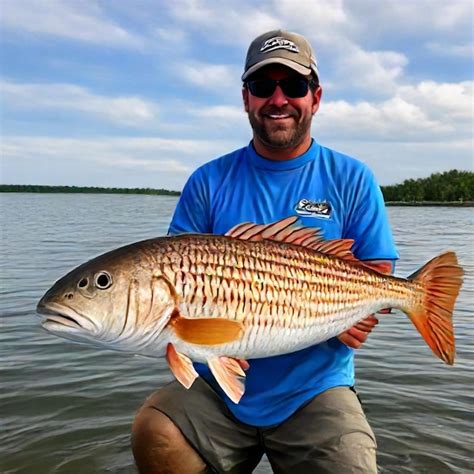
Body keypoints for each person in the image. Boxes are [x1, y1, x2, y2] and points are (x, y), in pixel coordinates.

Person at [131, 30, 398, 473]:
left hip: (316, 386)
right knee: (154, 430)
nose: (278, 99)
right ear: (245, 98)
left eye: (293, 86)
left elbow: (376, 266)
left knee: (350, 464)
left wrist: (357, 314)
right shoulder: (208, 180)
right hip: (214, 386)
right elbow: (175, 271)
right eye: (262, 87)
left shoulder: (352, 176)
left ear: (316, 97)